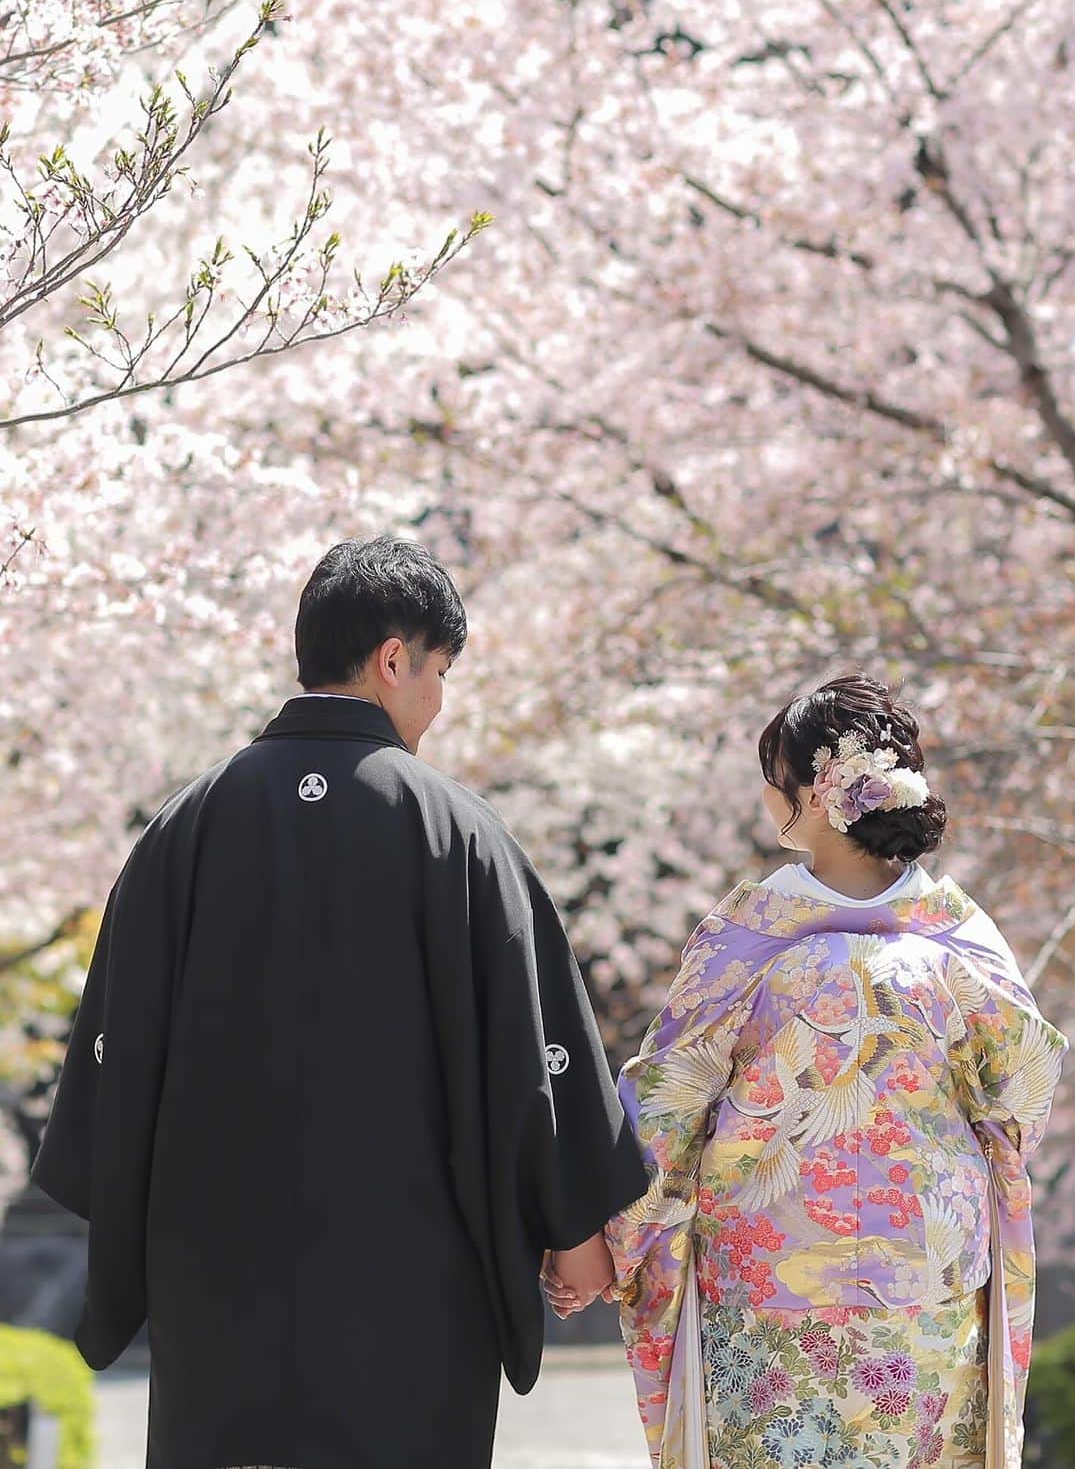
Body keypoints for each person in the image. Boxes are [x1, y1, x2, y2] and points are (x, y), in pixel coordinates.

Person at [32, 536, 647, 1469]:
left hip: (219, 1280)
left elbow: (114, 1054)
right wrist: (571, 1226)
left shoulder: (182, 831)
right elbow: (535, 1052)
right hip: (412, 1283)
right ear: (394, 659)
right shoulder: (460, 835)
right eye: (437, 671)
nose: (436, 701)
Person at [545, 675, 1068, 1469]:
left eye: (774, 776)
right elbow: (1021, 1099)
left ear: (815, 797)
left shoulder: (749, 938)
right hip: (926, 1277)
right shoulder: (959, 939)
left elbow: (666, 1107)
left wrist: (601, 1244)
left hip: (769, 1279)